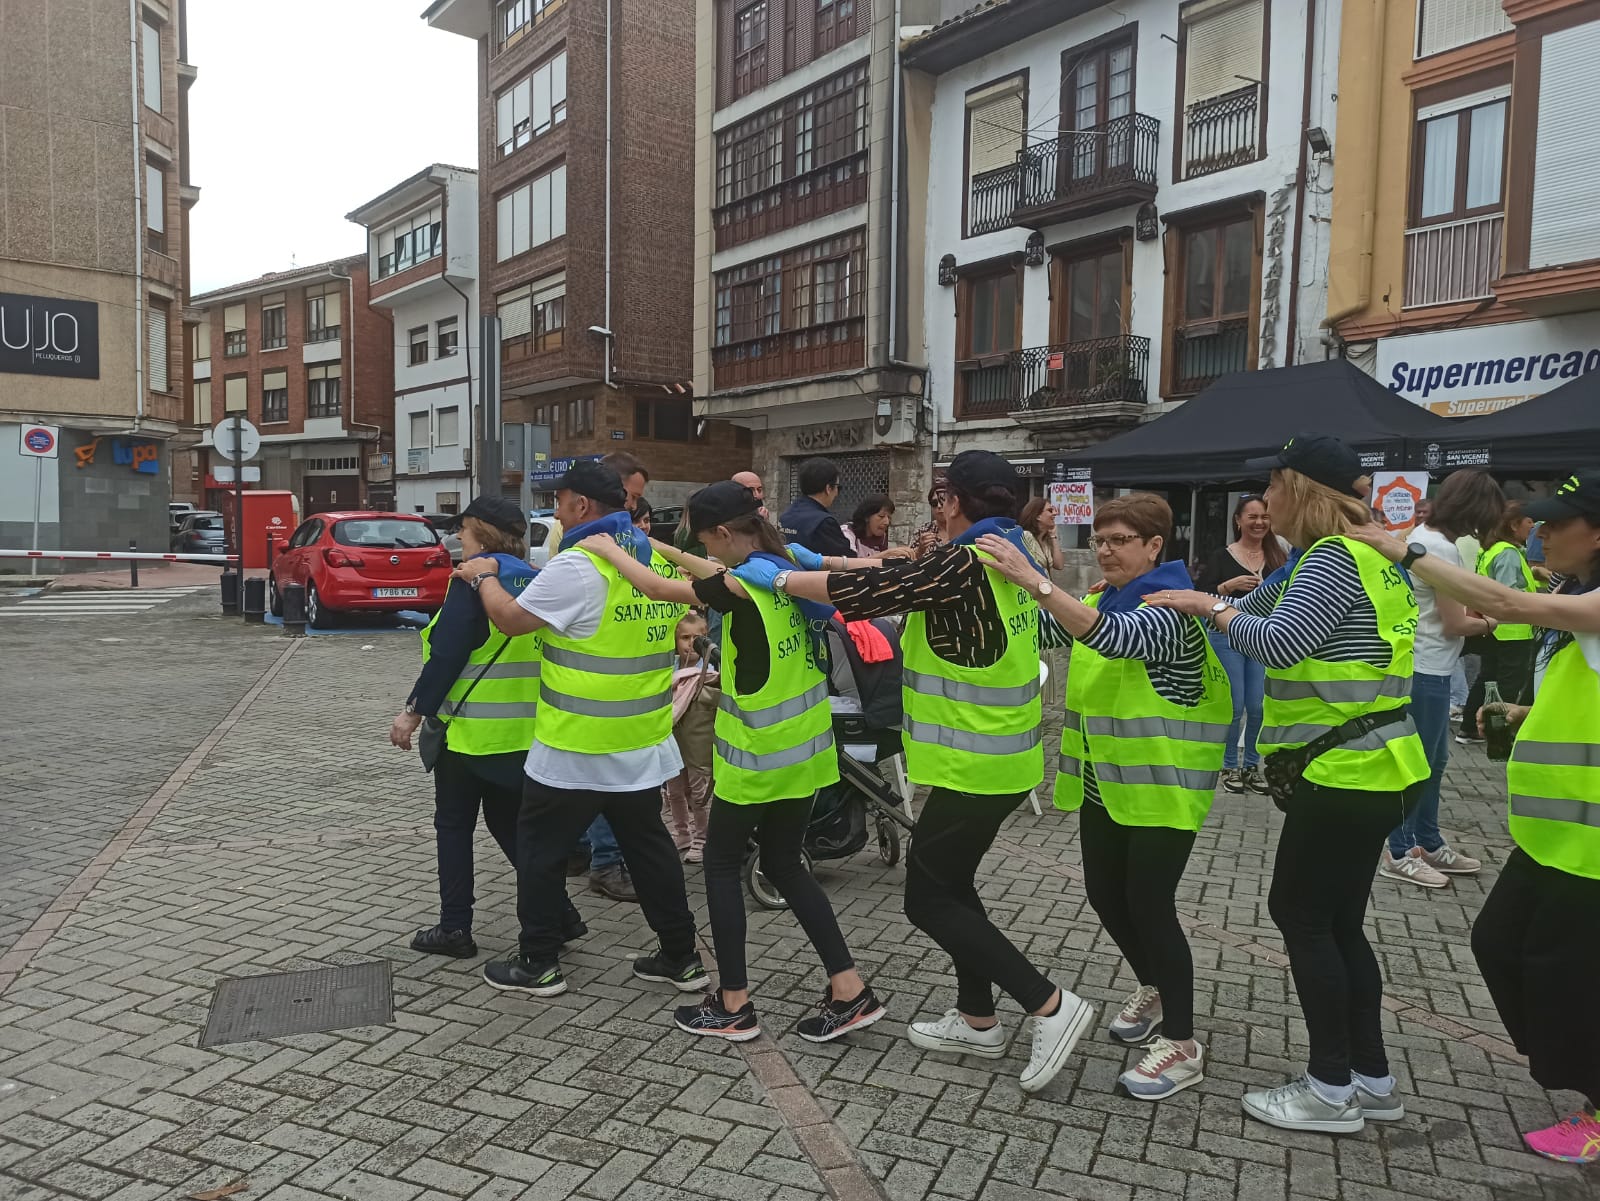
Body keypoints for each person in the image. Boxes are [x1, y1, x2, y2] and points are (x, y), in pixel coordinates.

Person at [772, 451, 1095, 1094]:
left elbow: (863, 596)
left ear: (951, 501)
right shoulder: (1011, 546)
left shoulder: (966, 560)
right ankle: (977, 1019)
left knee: (926, 897)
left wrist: (775, 579)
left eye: (938, 498)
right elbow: (901, 581)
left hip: (977, 763)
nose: (932, 509)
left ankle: (1050, 1005)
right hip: (988, 758)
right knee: (953, 887)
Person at [1147, 433, 1429, 1134]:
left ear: (1301, 489)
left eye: (1272, 486)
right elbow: (1265, 598)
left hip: (1345, 772)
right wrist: (1203, 596)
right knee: (1339, 924)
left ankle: (1328, 1089)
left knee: (1301, 917)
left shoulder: (1332, 558)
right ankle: (1372, 1077)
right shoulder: (1364, 558)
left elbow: (1275, 641)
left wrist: (1211, 611)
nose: (1264, 501)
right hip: (1383, 765)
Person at [1347, 470, 1600, 1164]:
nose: (1543, 532)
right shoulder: (1576, 593)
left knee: (1567, 971)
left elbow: (1499, 601)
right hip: (1557, 833)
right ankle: (1572, 1062)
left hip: (1591, 845)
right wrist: (1522, 712)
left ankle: (1595, 1101)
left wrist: (1403, 550)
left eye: (1558, 522)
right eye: (1539, 520)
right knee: (1497, 943)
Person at [580, 480, 886, 1043]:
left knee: (721, 867)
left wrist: (609, 549)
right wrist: (666, 547)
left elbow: (659, 588)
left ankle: (733, 1003)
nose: (707, 550)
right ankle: (849, 989)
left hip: (757, 760)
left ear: (725, 533)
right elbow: (700, 568)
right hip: (805, 753)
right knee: (788, 865)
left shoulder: (744, 586)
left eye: (705, 540)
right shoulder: (784, 562)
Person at [977, 493, 1230, 1102]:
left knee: (1150, 905)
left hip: (1163, 790)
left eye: (1121, 540)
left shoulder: (1168, 606)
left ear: (1153, 547)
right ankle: (1155, 984)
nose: (1107, 550)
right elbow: (1043, 626)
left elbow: (1113, 639)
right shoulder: (1099, 595)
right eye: (1101, 539)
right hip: (1107, 787)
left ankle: (1184, 1044)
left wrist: (1035, 580)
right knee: (1105, 895)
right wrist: (980, 584)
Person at [457, 460, 707, 999]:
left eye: (560, 501)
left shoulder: (579, 564)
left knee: (540, 850)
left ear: (582, 507)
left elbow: (512, 619)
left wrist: (482, 577)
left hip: (576, 744)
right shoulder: (646, 556)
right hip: (638, 741)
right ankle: (682, 958)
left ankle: (538, 962)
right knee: (651, 850)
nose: (555, 511)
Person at [389, 496, 584, 957]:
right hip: (526, 737)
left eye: (464, 531)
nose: (459, 539)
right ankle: (561, 916)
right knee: (515, 832)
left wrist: (412, 712)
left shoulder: (472, 582)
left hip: (469, 738)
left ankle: (455, 927)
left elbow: (449, 655)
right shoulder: (538, 581)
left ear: (480, 533)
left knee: (454, 828)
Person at [1377, 470, 1504, 889]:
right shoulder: (1441, 550)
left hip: (1423, 665)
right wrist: (1491, 622)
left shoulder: (1422, 538)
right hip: (1426, 667)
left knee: (1434, 762)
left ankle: (1427, 841)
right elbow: (1454, 623)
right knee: (1420, 766)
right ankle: (1400, 849)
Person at [1196, 495, 1285, 793]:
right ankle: (1228, 764)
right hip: (1227, 637)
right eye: (1252, 517)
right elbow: (1201, 594)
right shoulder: (1222, 556)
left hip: (1262, 637)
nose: (1259, 522)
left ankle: (1252, 765)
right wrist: (1227, 587)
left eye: (1264, 517)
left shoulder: (1277, 558)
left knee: (1258, 705)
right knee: (1234, 705)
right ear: (1238, 520)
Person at [1459, 501, 1540, 727]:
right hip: (1513, 630)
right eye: (1529, 520)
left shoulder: (1491, 550)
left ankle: (1469, 727)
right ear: (1514, 525)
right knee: (1507, 684)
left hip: (1496, 628)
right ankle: (1497, 730)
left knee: (1487, 680)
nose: (1533, 526)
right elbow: (1508, 592)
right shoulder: (1507, 553)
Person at [662, 611, 715, 862]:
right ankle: (681, 833)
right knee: (674, 790)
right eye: (684, 637)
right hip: (672, 737)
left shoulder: (708, 670)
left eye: (697, 637)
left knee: (698, 792)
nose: (690, 643)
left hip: (696, 741)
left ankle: (702, 838)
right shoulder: (668, 667)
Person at [779, 457, 852, 558]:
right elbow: (846, 560)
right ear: (828, 488)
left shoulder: (785, 515)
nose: (836, 494)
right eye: (837, 487)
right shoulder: (824, 522)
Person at [1018, 497, 1065, 574]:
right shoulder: (1027, 536)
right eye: (1050, 510)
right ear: (1038, 516)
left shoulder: (1045, 540)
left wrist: (1053, 536)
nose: (1055, 513)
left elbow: (1059, 565)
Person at [911, 481, 950, 560]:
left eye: (942, 501)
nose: (939, 506)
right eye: (934, 503)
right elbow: (909, 562)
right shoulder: (922, 531)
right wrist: (920, 551)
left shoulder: (964, 530)